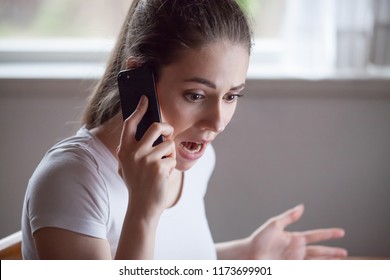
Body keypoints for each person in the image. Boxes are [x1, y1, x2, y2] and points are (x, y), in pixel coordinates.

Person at [21, 0, 347, 260]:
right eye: (196, 95)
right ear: (139, 78)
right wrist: (144, 211)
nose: (217, 123)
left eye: (232, 95)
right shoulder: (72, 179)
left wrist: (244, 256)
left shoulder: (196, 159)